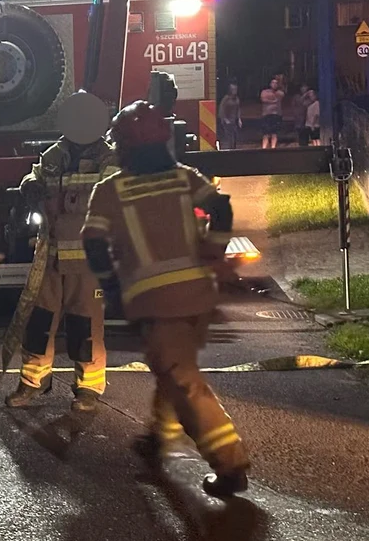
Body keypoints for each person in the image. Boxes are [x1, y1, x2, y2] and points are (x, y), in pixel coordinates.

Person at [81, 101, 250, 497]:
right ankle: (159, 437)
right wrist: (213, 251)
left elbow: (93, 244)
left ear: (124, 146)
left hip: (155, 303)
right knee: (173, 368)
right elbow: (221, 208)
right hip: (198, 298)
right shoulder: (184, 177)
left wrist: (111, 286)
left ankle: (231, 463)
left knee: (183, 381)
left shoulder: (109, 191)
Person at [7, 92, 117, 413]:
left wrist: (65, 203)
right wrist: (29, 184)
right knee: (38, 321)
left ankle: (88, 389)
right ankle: (31, 383)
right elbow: (37, 175)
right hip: (50, 256)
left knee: (85, 325)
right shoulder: (56, 154)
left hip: (87, 260)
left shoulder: (109, 159)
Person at [259, 78, 285, 149]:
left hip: (276, 115)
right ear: (270, 84)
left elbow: (280, 96)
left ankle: (273, 148)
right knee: (266, 133)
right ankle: (264, 148)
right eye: (273, 83)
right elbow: (263, 99)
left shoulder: (280, 92)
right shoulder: (264, 92)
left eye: (276, 83)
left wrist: (272, 98)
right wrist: (273, 101)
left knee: (274, 133)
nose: (274, 84)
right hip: (266, 115)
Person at [218, 83, 241, 149]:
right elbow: (222, 109)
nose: (235, 91)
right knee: (229, 136)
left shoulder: (236, 98)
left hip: (234, 120)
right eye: (233, 89)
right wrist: (225, 119)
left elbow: (238, 108)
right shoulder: (226, 99)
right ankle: (230, 149)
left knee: (235, 135)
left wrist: (239, 119)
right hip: (227, 120)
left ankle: (233, 148)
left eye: (236, 89)